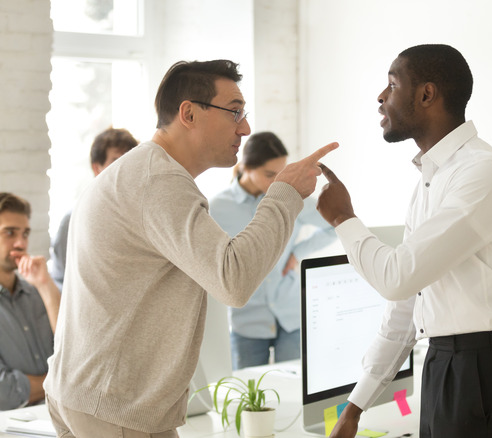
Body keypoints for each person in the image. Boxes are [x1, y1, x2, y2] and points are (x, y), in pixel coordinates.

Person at [43, 59, 337, 437]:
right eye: (234, 112)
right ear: (189, 113)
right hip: (114, 406)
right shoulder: (159, 182)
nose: (245, 127)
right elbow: (233, 280)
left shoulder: (144, 172)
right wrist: (285, 192)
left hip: (89, 396)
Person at [317, 44, 492, 438]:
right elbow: (406, 304)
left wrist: (343, 218)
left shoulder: (482, 173)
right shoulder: (431, 181)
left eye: (392, 84)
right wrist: (355, 406)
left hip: (483, 370)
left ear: (427, 94)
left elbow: (397, 277)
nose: (381, 97)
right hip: (442, 364)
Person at [209, 131, 336, 368]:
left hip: (290, 315)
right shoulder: (218, 207)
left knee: (294, 392)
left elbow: (334, 225)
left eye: (281, 173)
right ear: (245, 167)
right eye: (270, 175)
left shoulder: (292, 197)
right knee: (248, 397)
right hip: (247, 320)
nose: (278, 181)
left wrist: (296, 253)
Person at [49, 127, 139, 290]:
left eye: (129, 161)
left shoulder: (140, 217)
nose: (124, 168)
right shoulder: (74, 219)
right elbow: (61, 279)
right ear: (97, 168)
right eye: (116, 161)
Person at [0, 192, 60, 410]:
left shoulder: (38, 292)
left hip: (53, 421)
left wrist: (46, 286)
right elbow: (3, 392)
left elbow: (77, 353)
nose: (20, 243)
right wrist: (60, 383)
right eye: (9, 233)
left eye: (25, 234)